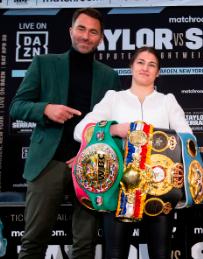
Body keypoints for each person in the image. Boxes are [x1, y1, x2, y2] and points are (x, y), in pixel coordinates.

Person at [9, 8, 122, 259]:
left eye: (93, 32)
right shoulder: (44, 63)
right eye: (81, 29)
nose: (86, 36)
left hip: (91, 167)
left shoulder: (109, 76)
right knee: (33, 241)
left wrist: (88, 155)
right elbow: (16, 106)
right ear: (71, 31)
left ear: (100, 38)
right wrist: (46, 109)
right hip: (48, 163)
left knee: (85, 245)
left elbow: (114, 126)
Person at [73, 46, 192, 259]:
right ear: (131, 67)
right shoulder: (113, 98)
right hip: (119, 186)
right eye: (140, 62)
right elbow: (80, 131)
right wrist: (114, 129)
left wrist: (158, 140)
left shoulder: (167, 101)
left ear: (158, 72)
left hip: (159, 187)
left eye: (152, 64)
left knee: (161, 254)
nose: (145, 68)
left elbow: (187, 137)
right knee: (115, 254)